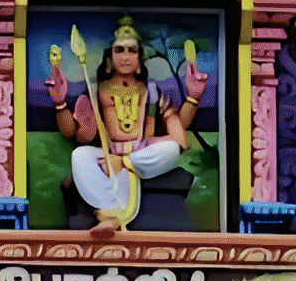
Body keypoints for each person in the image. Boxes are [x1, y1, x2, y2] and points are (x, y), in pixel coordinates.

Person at [47, 18, 207, 236]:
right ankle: (107, 216)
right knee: (80, 156)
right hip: (109, 156)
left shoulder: (151, 90)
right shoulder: (98, 90)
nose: (125, 56)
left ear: (140, 58)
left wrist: (193, 97)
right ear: (110, 58)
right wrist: (59, 102)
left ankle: (122, 175)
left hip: (141, 156)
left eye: (132, 50)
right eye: (119, 50)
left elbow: (178, 134)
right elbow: (76, 134)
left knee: (169, 150)